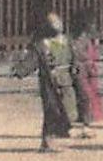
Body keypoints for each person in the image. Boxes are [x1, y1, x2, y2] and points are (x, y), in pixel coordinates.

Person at [22, 12, 73, 153]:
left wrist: (75, 71)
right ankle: (47, 139)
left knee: (66, 108)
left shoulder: (65, 41)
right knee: (51, 109)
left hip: (66, 81)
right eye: (54, 23)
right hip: (49, 82)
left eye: (58, 22)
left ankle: (58, 133)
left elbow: (72, 58)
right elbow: (31, 61)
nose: (58, 25)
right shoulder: (41, 45)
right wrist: (21, 70)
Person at [66, 8, 103, 138]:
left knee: (89, 96)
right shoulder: (72, 39)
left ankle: (85, 120)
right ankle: (85, 124)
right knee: (84, 96)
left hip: (89, 70)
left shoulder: (89, 38)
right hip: (78, 69)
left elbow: (94, 55)